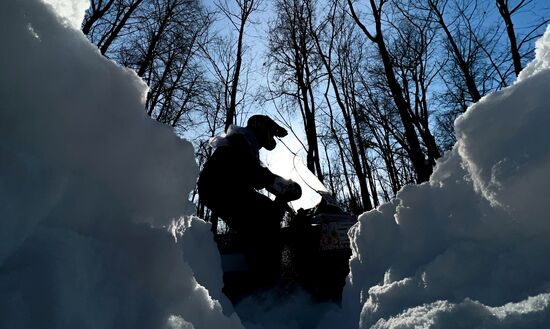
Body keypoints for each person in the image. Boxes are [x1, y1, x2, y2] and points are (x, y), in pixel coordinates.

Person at [197, 114, 302, 297]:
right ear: (262, 130)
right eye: (270, 133)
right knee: (268, 216)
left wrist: (276, 184)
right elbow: (254, 172)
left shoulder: (245, 141)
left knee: (258, 219)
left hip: (223, 188)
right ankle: (268, 285)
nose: (269, 139)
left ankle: (245, 274)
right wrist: (281, 184)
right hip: (221, 188)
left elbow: (252, 172)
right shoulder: (241, 141)